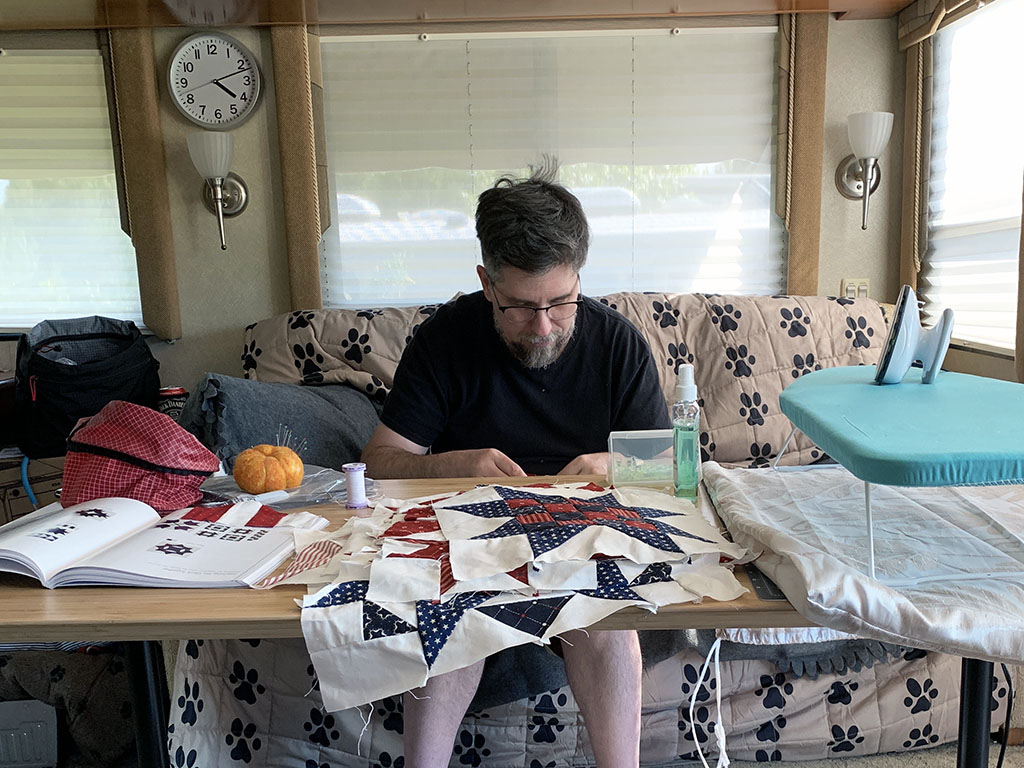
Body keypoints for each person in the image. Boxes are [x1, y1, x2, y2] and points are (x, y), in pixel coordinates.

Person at [361, 163, 670, 768]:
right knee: (445, 606)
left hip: (586, 534)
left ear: (580, 276)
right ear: (486, 282)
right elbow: (379, 462)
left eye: (561, 302)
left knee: (601, 616)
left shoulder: (617, 343)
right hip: (468, 531)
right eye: (521, 308)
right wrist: (456, 464)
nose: (544, 327)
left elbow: (670, 467)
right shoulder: (444, 340)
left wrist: (612, 464)